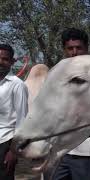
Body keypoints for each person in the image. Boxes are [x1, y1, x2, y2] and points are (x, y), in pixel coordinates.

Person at [49, 28, 90, 180]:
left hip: (87, 152)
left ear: (86, 49)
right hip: (60, 150)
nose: (74, 52)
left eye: (79, 48)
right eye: (70, 48)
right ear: (64, 50)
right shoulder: (56, 75)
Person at [0, 44, 28, 180]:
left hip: (5, 143)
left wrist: (13, 151)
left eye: (5, 59)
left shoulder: (17, 84)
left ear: (11, 62)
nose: (0, 62)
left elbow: (22, 120)